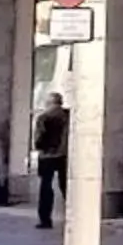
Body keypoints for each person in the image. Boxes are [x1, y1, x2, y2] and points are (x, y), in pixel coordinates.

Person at [32, 87, 71, 229]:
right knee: (67, 187)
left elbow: (39, 138)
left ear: (49, 102)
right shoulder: (68, 116)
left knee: (46, 187)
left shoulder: (44, 117)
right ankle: (74, 216)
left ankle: (45, 219)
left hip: (47, 156)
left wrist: (40, 148)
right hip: (65, 155)